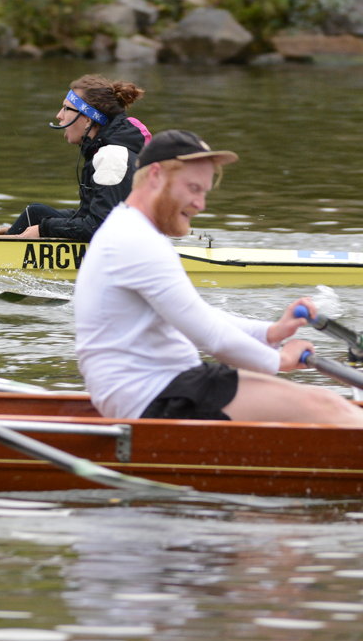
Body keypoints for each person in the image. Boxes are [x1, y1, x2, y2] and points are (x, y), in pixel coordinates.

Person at [74, 129, 363, 426]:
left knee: (326, 405)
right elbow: (211, 337)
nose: (201, 204)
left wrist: (271, 333)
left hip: (162, 388)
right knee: (328, 407)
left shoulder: (132, 230)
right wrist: (280, 360)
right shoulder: (135, 240)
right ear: (156, 176)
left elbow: (198, 315)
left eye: (204, 192)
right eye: (193, 188)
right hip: (156, 396)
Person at [0, 74, 150, 241]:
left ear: (86, 119)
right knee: (36, 213)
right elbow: (90, 215)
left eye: (66, 108)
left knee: (40, 219)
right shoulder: (104, 150)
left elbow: (100, 227)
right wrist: (31, 227)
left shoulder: (112, 156)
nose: (59, 115)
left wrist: (44, 229)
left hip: (125, 248)